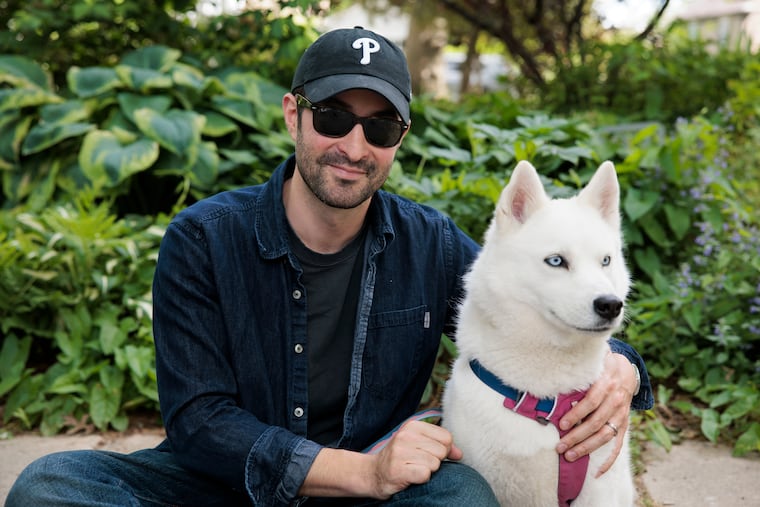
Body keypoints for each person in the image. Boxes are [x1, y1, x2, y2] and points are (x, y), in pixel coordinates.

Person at [7, 26, 653, 507]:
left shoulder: (428, 243)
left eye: (379, 127)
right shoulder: (202, 240)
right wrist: (358, 473)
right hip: (222, 484)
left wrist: (622, 368)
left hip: (377, 487)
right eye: (335, 116)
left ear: (399, 140)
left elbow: (537, 291)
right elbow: (200, 422)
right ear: (294, 114)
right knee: (50, 485)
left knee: (462, 497)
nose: (353, 145)